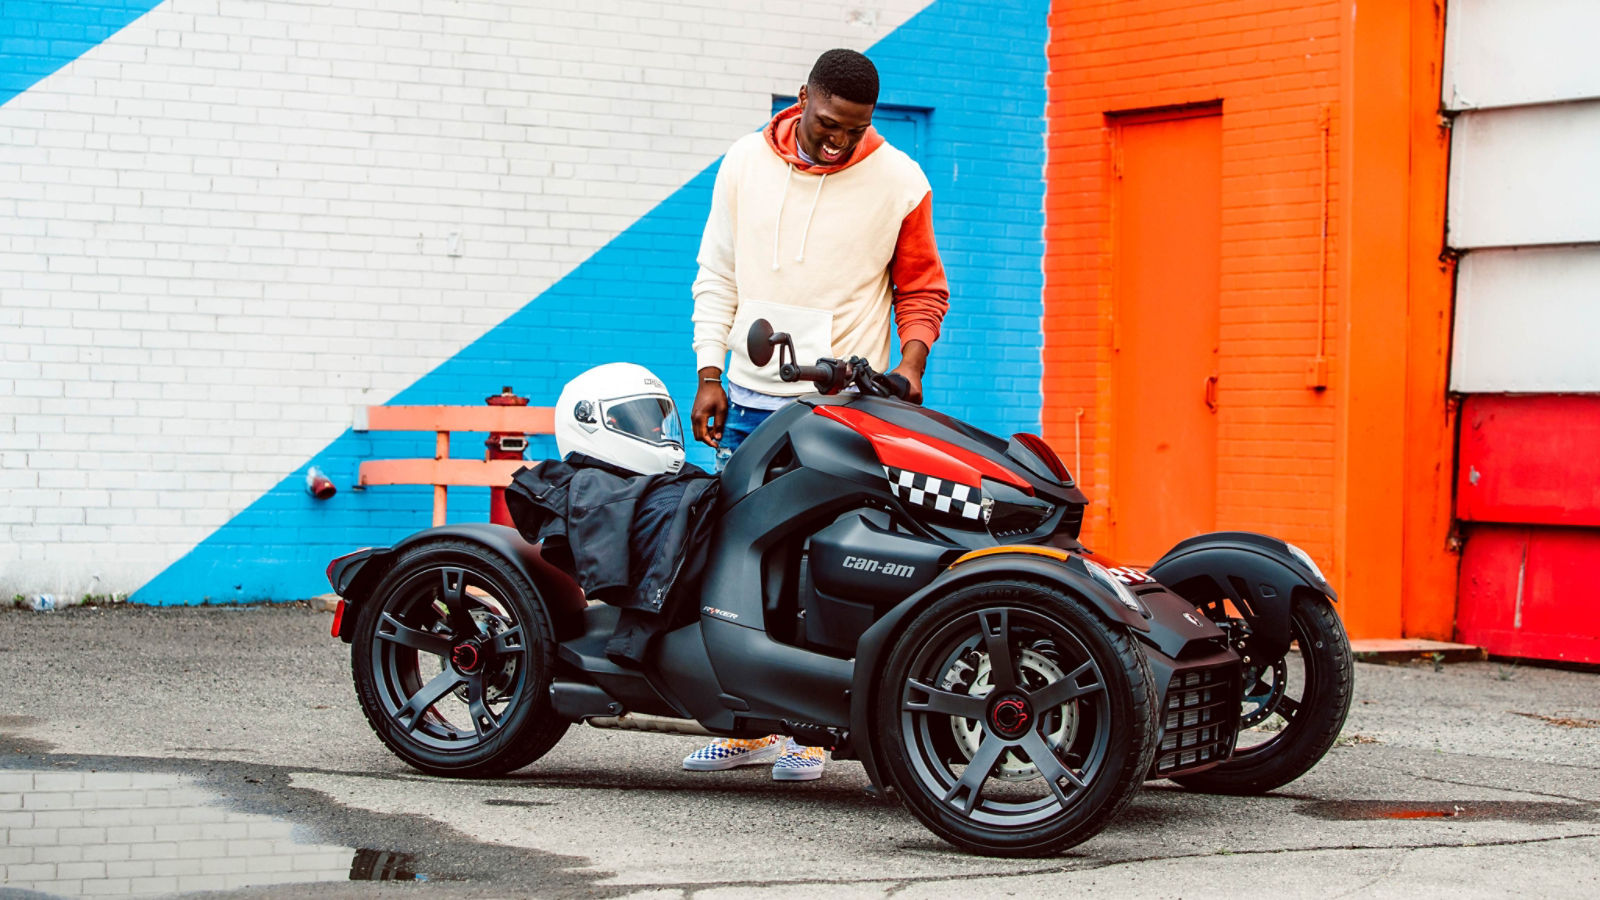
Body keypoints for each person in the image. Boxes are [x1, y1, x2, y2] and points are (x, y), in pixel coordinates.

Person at [682, 48, 950, 781]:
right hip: (746, 400)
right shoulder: (743, 163)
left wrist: (911, 364)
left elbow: (922, 289)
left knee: (821, 569)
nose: (839, 140)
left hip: (841, 411)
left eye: (855, 129)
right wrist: (711, 372)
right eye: (828, 124)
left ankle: (810, 735)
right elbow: (718, 274)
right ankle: (746, 726)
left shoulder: (899, 179)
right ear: (802, 98)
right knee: (732, 561)